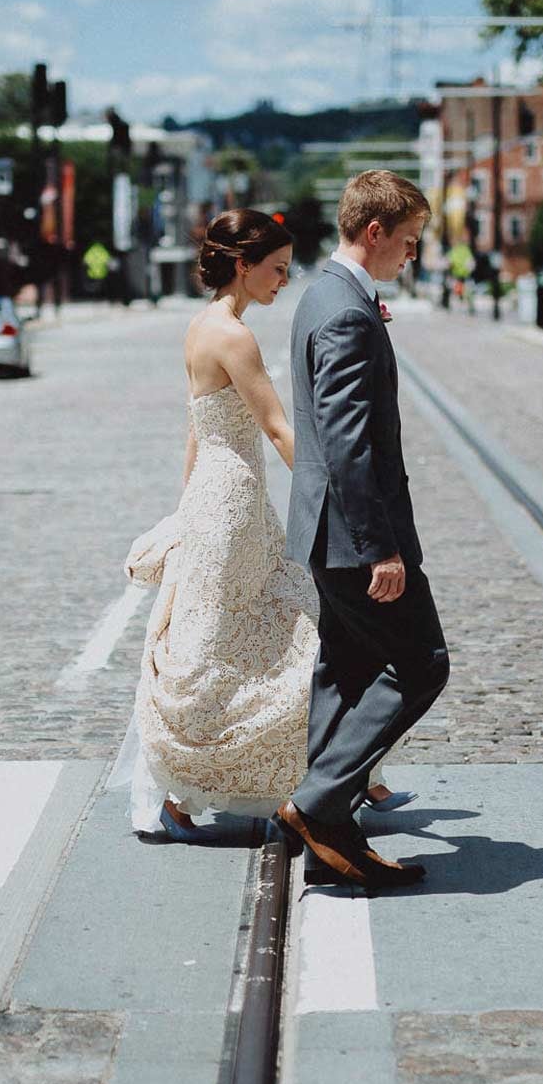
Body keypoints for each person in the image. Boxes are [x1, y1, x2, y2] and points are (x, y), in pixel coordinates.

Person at [118, 209, 409, 842]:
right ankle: (324, 773)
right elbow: (278, 427)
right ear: (243, 265)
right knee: (283, 634)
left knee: (239, 637)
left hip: (218, 501)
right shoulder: (234, 336)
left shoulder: (202, 327)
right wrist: (340, 503)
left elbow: (196, 430)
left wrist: (187, 506)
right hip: (235, 506)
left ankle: (345, 772)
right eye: (277, 269)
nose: (285, 281)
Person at [276, 171, 449, 890]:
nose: (411, 256)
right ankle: (318, 805)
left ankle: (330, 825)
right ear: (373, 233)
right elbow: (349, 443)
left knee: (345, 667)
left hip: (322, 531)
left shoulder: (321, 293)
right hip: (353, 536)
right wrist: (381, 546)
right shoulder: (347, 311)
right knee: (421, 662)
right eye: (408, 242)